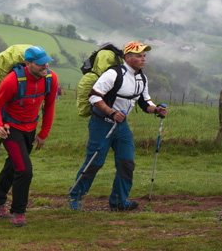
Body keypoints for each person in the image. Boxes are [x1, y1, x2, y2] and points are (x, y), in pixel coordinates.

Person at [68, 41, 168, 211]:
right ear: (127, 58)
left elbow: (145, 102)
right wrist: (111, 112)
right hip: (101, 124)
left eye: (144, 56)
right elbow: (94, 96)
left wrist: (156, 109)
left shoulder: (142, 77)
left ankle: (118, 202)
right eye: (139, 56)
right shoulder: (113, 74)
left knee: (126, 163)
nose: (143, 59)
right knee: (95, 162)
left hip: (122, 127)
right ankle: (75, 197)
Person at [0, 46, 59, 227]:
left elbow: (49, 107)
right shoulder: (12, 81)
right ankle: (18, 212)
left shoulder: (50, 78)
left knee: (14, 165)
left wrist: (43, 133)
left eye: (46, 62)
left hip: (31, 129)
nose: (45, 66)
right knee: (24, 170)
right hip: (11, 129)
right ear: (28, 64)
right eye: (40, 63)